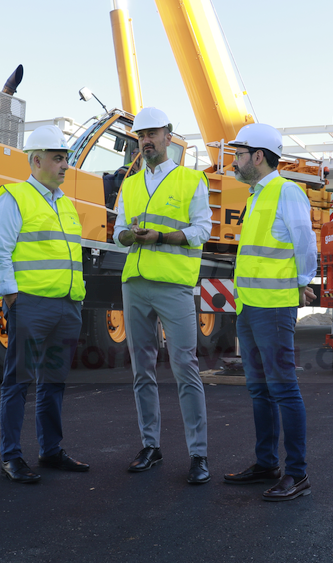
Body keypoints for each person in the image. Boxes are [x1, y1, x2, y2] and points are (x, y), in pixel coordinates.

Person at [114, 107, 212, 484]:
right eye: (141, 136)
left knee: (185, 368)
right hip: (135, 282)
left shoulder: (191, 180)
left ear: (169, 136)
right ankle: (150, 447)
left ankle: (198, 455)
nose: (146, 141)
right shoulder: (133, 183)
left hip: (174, 284)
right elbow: (118, 231)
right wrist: (128, 235)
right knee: (142, 371)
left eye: (152, 133)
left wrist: (161, 237)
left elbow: (202, 229)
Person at [0, 125, 89, 484]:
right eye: (59, 158)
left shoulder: (65, 203)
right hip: (31, 304)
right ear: (35, 161)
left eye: (66, 158)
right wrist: (10, 293)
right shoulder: (14, 197)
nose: (65, 165)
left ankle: (50, 451)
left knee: (54, 383)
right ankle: (11, 456)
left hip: (67, 305)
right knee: (18, 381)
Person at [223, 123, 317, 502]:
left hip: (274, 307)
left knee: (283, 390)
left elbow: (304, 242)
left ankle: (297, 474)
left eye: (239, 154)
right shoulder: (257, 194)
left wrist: (303, 280)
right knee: (259, 389)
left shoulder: (285, 192)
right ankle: (266, 463)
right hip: (249, 306)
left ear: (257, 156)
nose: (234, 160)